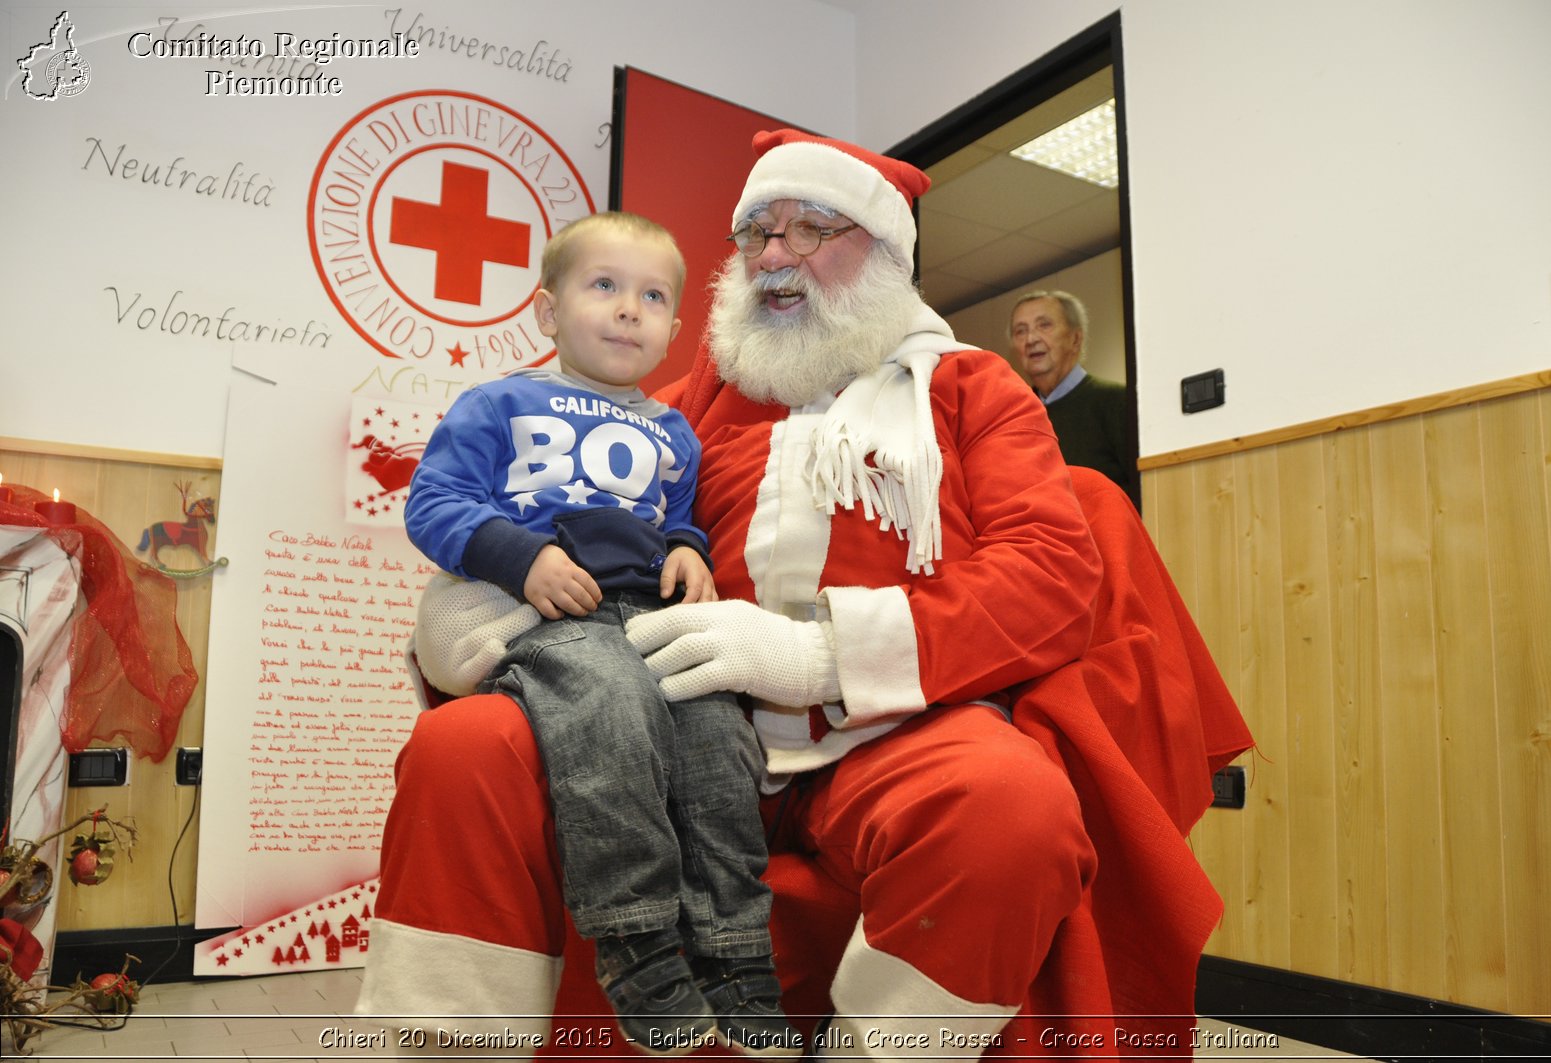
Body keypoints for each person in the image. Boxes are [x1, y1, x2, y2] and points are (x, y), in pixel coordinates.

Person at [356, 131, 1252, 1061]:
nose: (773, 255)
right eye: (755, 232)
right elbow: (569, 519)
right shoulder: (688, 402)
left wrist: (823, 654)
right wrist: (484, 607)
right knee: (463, 746)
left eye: (810, 228)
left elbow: (1051, 578)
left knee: (1014, 810)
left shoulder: (972, 388)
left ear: (886, 255)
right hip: (683, 714)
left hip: (896, 724)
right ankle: (450, 1042)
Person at [401, 211, 800, 1057]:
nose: (629, 310)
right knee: (613, 709)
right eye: (605, 287)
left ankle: (733, 953)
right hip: (554, 615)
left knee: (716, 735)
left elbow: (675, 518)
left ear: (675, 330)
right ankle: (638, 944)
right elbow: (431, 504)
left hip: (647, 616)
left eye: (652, 296)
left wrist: (689, 552)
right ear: (549, 312)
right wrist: (524, 558)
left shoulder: (675, 432)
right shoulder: (499, 401)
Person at [1008, 290, 1135, 498]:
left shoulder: (1118, 402)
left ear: (1075, 338)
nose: (1030, 339)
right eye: (1020, 331)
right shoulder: (1014, 417)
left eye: (1044, 325)